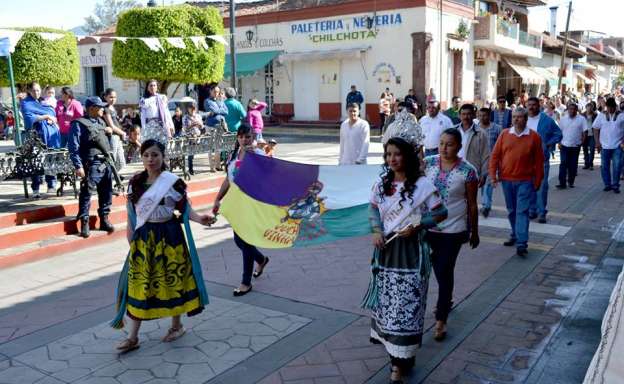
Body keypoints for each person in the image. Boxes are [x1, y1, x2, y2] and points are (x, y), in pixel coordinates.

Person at [111, 139, 216, 352]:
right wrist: (131, 238)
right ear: (141, 157)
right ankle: (133, 337)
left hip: (170, 237)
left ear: (163, 156)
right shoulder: (135, 183)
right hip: (144, 238)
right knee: (141, 284)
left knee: (174, 280)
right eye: (146, 155)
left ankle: (177, 326)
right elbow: (131, 214)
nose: (151, 159)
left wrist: (200, 219)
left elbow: (185, 208)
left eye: (155, 155)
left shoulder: (173, 182)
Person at [366, 136, 447, 384]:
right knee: (389, 307)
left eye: (397, 154)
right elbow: (372, 209)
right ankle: (396, 360)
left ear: (407, 157)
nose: (392, 159)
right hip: (387, 253)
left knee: (406, 307)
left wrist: (418, 225)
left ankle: (401, 361)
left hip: (412, 254)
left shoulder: (422, 184)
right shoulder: (382, 184)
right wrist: (377, 230)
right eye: (388, 154)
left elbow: (441, 212)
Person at [424, 128, 479, 341]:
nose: (444, 148)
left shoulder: (468, 171)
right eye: (441, 143)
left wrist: (474, 231)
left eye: (449, 144)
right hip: (427, 228)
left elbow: (472, 204)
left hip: (454, 229)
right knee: (434, 270)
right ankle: (445, 302)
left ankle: (441, 319)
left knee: (444, 269)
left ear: (458, 146)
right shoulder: (428, 163)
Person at [213, 123, 270, 297]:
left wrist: (257, 161)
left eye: (248, 136)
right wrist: (217, 198)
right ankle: (261, 259)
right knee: (239, 241)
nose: (245, 140)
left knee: (245, 241)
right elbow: (228, 179)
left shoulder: (258, 155)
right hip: (236, 204)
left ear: (253, 138)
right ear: (237, 137)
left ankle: (246, 282)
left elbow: (268, 176)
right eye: (242, 136)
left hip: (251, 204)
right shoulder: (233, 155)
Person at [489, 108, 544, 257]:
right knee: (512, 211)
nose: (516, 120)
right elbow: (494, 156)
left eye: (519, 117)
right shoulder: (504, 134)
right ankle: (515, 234)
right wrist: (493, 176)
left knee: (522, 211)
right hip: (507, 180)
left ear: (526, 119)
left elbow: (539, 161)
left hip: (525, 181)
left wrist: (538, 180)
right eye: (514, 117)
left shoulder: (534, 137)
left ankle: (522, 243)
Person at [68, 97, 116, 238]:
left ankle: (104, 219)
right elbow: (73, 147)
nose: (102, 109)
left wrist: (108, 133)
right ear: (91, 108)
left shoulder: (101, 122)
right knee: (87, 192)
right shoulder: (78, 124)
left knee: (106, 192)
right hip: (91, 162)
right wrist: (78, 166)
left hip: (105, 162)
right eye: (99, 107)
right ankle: (84, 221)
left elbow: (106, 145)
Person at [20, 81, 61, 197]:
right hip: (35, 135)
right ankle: (36, 188)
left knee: (50, 158)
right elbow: (29, 118)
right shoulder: (26, 103)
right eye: (34, 90)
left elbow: (53, 114)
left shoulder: (43, 102)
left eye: (38, 90)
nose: (37, 92)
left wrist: (51, 119)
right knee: (35, 161)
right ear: (29, 91)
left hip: (50, 135)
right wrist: (46, 116)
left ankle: (51, 184)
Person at [526, 97, 562, 223]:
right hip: (525, 159)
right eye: (529, 104)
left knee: (542, 186)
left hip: (541, 158)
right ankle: (532, 210)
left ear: (539, 106)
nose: (531, 107)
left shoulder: (547, 120)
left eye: (534, 105)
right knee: (529, 185)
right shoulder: (522, 119)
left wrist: (547, 144)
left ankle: (542, 212)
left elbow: (558, 134)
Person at [593, 97, 624, 193]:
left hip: (617, 145)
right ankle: (607, 184)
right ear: (606, 107)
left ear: (615, 106)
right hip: (604, 146)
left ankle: (615, 185)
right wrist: (597, 142)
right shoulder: (601, 116)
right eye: (608, 107)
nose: (610, 109)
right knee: (604, 166)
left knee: (617, 166)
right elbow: (595, 128)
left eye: (612, 107)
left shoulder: (621, 116)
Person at [454, 104, 490, 186]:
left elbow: (486, 155)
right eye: (463, 114)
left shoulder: (481, 133)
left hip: (471, 172)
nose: (466, 117)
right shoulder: (453, 131)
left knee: (471, 198)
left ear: (474, 115)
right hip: (454, 171)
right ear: (459, 116)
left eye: (469, 114)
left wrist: (483, 174)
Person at [477, 107, 502, 218]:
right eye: (480, 115)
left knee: (489, 183)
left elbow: (502, 146)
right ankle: (485, 203)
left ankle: (486, 205)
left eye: (485, 115)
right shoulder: (476, 128)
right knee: (482, 183)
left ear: (489, 116)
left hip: (493, 161)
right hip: (479, 160)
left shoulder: (497, 128)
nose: (482, 118)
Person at [556, 103, 587, 189]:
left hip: (575, 146)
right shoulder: (563, 119)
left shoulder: (581, 119)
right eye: (570, 109)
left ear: (577, 110)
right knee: (563, 164)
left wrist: (581, 142)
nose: (572, 111)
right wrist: (559, 142)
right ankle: (562, 183)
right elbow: (559, 132)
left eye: (574, 109)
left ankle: (571, 181)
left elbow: (585, 132)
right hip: (564, 145)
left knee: (572, 165)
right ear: (568, 110)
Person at [139, 79, 174, 144]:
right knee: (152, 144)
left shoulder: (162, 97)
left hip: (161, 125)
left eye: (154, 85)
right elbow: (142, 116)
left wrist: (171, 125)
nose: (153, 87)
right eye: (151, 85)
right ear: (147, 88)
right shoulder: (144, 100)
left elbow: (166, 113)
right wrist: (144, 128)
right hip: (150, 126)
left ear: (157, 87)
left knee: (162, 144)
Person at [102, 88, 127, 172]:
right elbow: (111, 126)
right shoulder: (105, 109)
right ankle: (106, 176)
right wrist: (123, 133)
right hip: (112, 136)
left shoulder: (112, 107)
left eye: (115, 97)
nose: (113, 99)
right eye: (111, 97)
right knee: (112, 159)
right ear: (105, 97)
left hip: (118, 137)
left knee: (122, 162)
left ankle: (117, 178)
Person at [182, 103, 203, 175]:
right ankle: (191, 169)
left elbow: (202, 127)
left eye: (194, 108)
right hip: (189, 137)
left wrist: (199, 125)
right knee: (190, 154)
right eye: (191, 108)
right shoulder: (185, 117)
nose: (193, 110)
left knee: (193, 153)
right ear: (188, 109)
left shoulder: (198, 116)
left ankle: (191, 168)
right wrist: (192, 125)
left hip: (197, 136)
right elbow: (185, 128)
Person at [582, 101, 598, 170]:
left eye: (590, 108)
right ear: (586, 108)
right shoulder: (582, 115)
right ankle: (586, 164)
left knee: (592, 150)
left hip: (592, 135)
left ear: (592, 108)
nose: (589, 109)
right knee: (585, 149)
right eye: (588, 108)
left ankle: (591, 164)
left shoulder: (595, 115)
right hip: (585, 134)